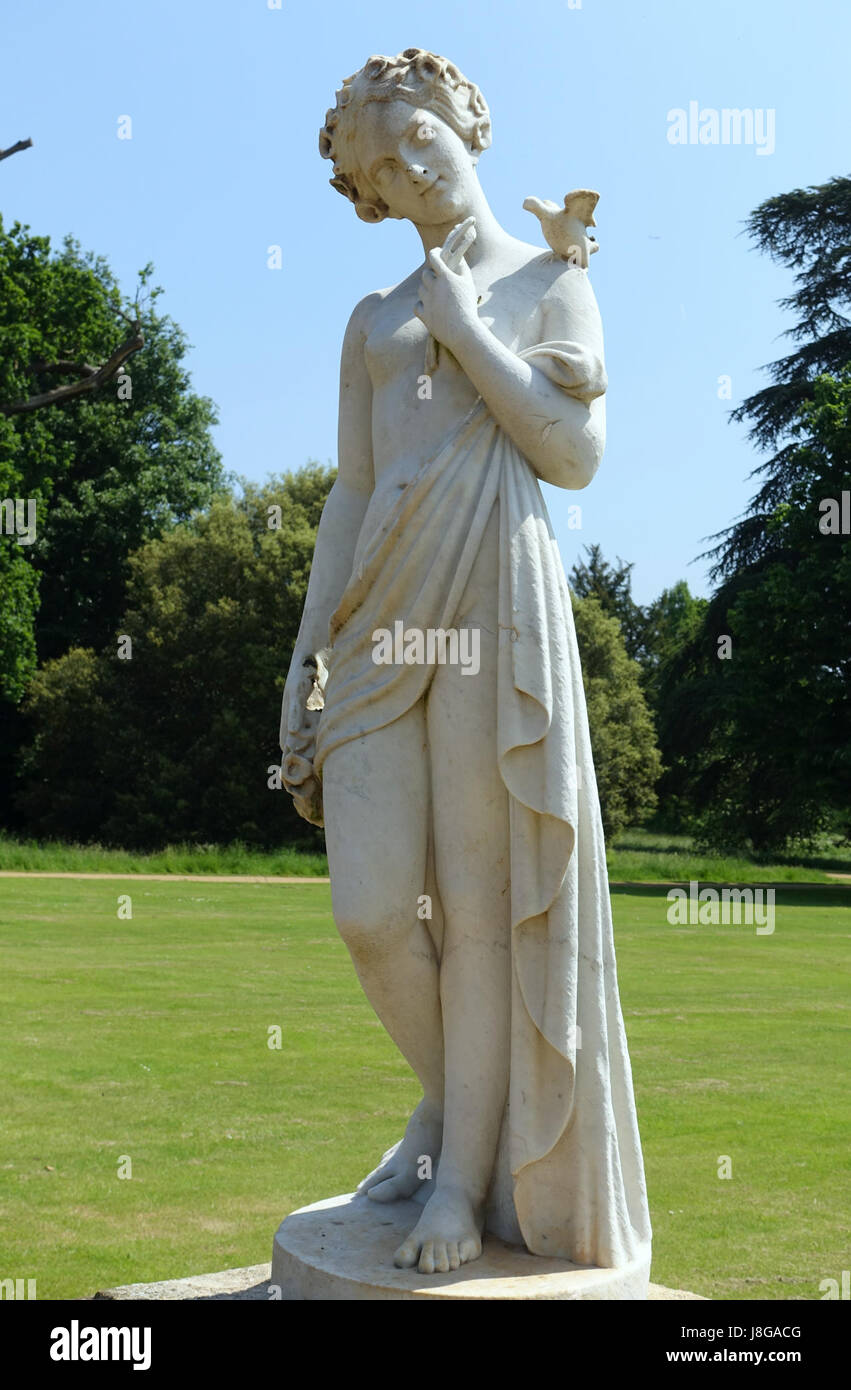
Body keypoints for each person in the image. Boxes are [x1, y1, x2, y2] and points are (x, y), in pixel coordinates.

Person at [280, 48, 651, 1281]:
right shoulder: (370, 319)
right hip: (374, 619)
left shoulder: (550, 278)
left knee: (483, 914)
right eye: (376, 170)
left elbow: (573, 453)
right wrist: (303, 655)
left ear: (464, 122)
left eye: (414, 140)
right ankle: (446, 1109)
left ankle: (460, 1189)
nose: (403, 173)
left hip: (492, 594)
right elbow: (346, 488)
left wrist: (465, 330)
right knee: (374, 912)